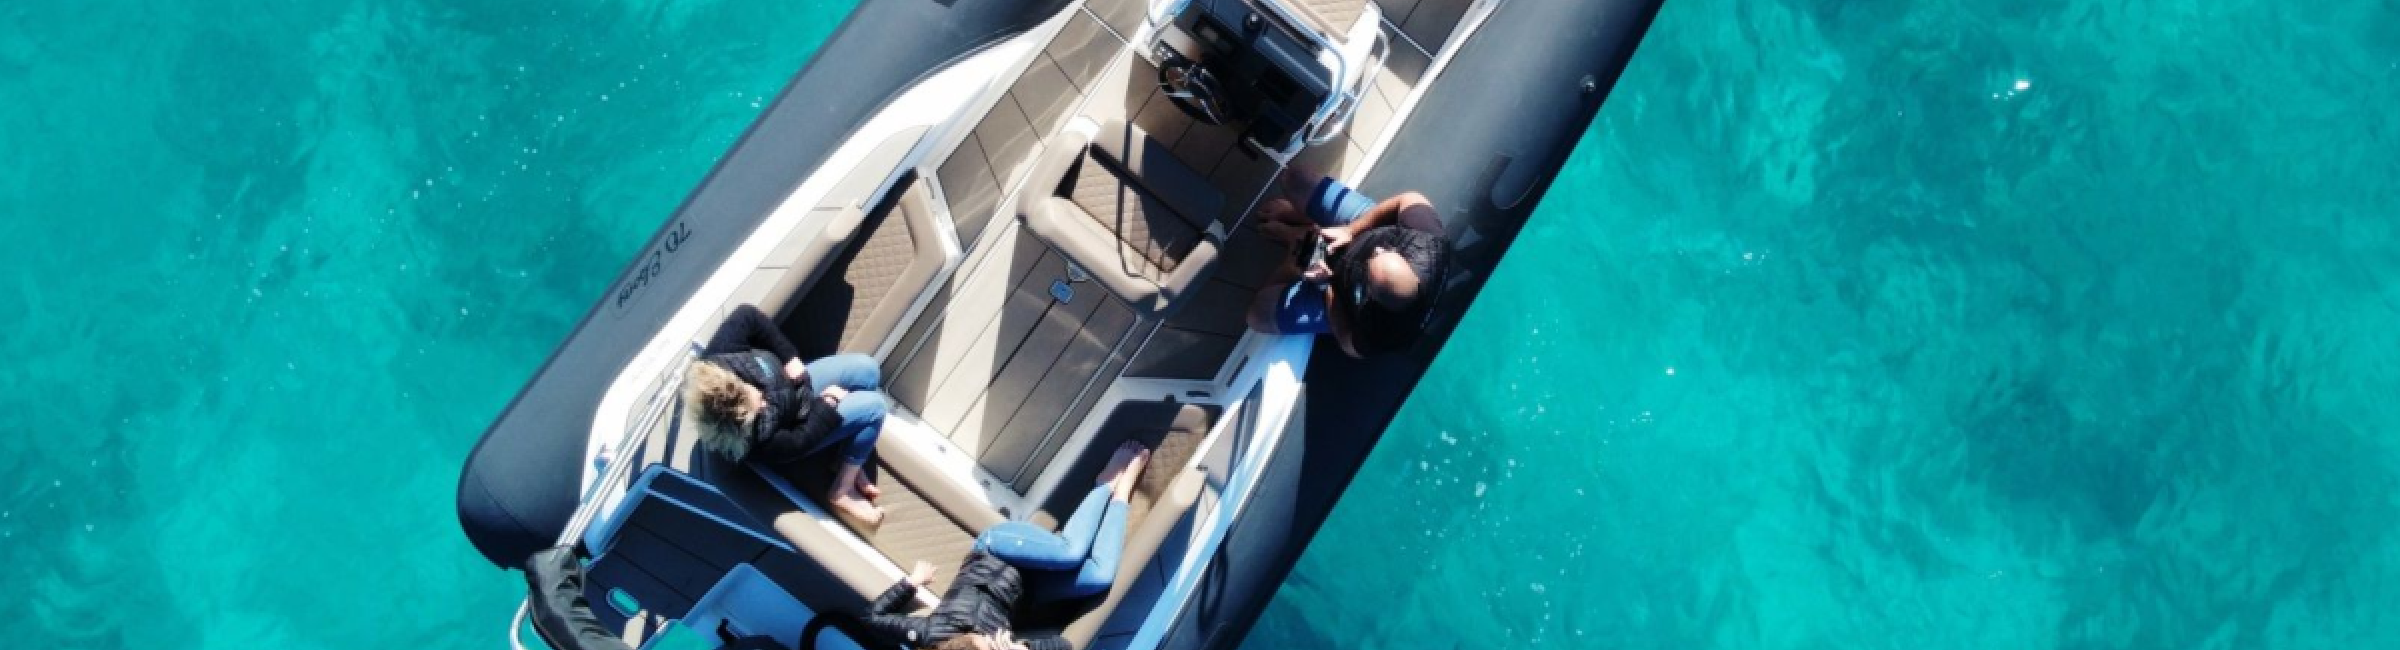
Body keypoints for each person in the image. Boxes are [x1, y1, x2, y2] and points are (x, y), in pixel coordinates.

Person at [864, 442, 1153, 650]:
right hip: (1028, 588)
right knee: (1099, 577)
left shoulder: (925, 633)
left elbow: (872, 617)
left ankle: (1104, 484)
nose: (988, 641)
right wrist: (1022, 648)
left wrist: (912, 582)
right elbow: (1063, 645)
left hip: (996, 553)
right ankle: (1121, 494)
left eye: (981, 642)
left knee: (1071, 553)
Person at [686, 304, 889, 524]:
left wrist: (789, 358)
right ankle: (843, 488)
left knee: (868, 369)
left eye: (757, 397)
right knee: (874, 407)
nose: (763, 403)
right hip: (800, 421)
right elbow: (800, 439)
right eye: (758, 409)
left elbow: (748, 315)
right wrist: (827, 403)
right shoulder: (756, 440)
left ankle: (844, 450)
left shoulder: (723, 355)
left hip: (798, 387)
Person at [1246, 166, 1451, 358]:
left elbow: (1347, 342)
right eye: (1387, 252)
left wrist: (1325, 286)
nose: (1378, 250)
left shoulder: (1385, 334)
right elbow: (1409, 198)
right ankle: (1304, 224)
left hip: (1338, 290)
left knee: (1257, 315)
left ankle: (1294, 250)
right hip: (1362, 230)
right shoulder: (1428, 242)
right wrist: (1350, 230)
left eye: (1373, 259)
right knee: (1295, 178)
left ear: (1371, 295)